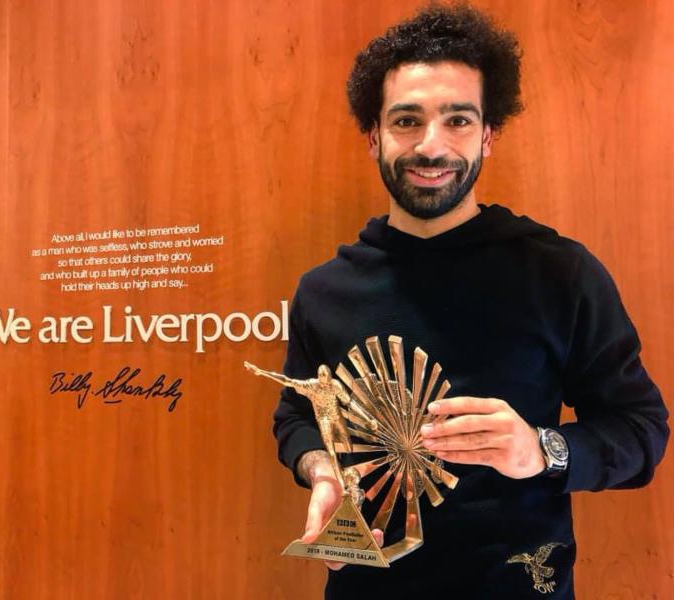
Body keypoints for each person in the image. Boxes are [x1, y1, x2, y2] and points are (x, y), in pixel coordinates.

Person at [271, 3, 669, 598]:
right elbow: (297, 415)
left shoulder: (560, 273)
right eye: (407, 121)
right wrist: (321, 470)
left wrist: (541, 449)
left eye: (457, 120)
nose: (431, 146)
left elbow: (641, 431)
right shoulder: (324, 290)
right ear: (375, 136)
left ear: (487, 134)